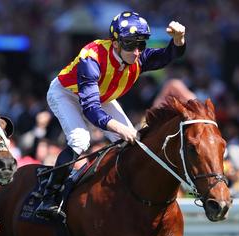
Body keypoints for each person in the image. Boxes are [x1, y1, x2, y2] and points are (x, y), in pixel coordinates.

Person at [36, 11, 187, 219]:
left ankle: (122, 193)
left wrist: (178, 40)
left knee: (131, 144)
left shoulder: (138, 57)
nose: (136, 52)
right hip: (67, 93)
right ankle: (49, 196)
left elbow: (167, 56)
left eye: (141, 44)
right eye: (129, 45)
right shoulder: (92, 58)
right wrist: (119, 127)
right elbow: (90, 109)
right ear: (114, 43)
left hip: (102, 96)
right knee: (81, 140)